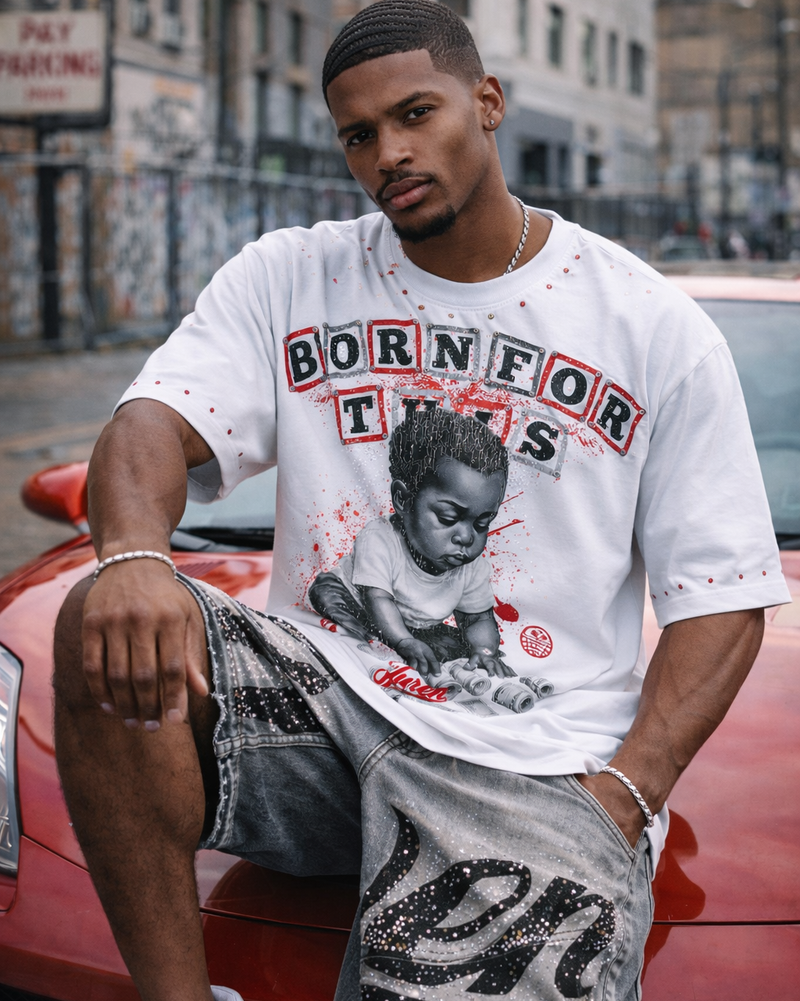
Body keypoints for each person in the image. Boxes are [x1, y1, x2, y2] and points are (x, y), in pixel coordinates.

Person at [52, 2, 789, 1000]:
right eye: (359, 134)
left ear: (486, 103)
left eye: (415, 114)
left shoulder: (648, 325)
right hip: (316, 719)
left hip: (525, 769)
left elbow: (721, 593)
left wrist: (623, 790)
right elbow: (148, 424)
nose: (388, 152)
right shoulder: (291, 275)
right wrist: (132, 555)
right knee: (100, 609)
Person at [308, 407, 509, 681]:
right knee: (328, 598)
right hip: (356, 602)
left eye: (482, 524)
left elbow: (477, 618)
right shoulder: (379, 538)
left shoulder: (470, 566)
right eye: (448, 517)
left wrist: (485, 650)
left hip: (414, 626)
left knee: (456, 646)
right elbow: (377, 598)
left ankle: (398, 642)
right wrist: (402, 640)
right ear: (404, 500)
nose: (467, 537)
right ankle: (373, 645)